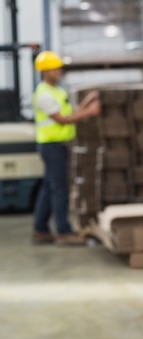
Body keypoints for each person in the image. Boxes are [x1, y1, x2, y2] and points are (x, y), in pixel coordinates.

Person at [31, 50, 100, 245]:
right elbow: (62, 120)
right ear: (45, 71)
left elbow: (71, 113)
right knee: (60, 189)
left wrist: (87, 103)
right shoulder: (43, 95)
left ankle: (40, 229)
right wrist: (90, 112)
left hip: (58, 145)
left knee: (48, 187)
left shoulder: (57, 91)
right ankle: (63, 231)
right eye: (55, 68)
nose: (59, 71)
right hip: (51, 146)